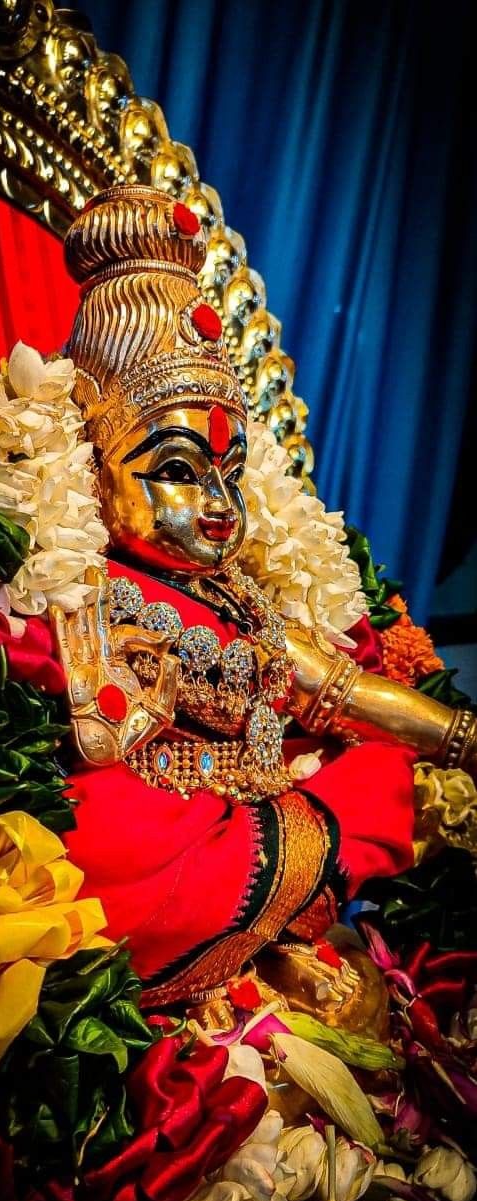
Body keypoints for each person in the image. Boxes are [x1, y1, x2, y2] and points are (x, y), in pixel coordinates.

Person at [58, 185, 476, 1013]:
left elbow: (335, 689)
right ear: (93, 461)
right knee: (360, 806)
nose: (217, 501)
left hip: (244, 815)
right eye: (176, 469)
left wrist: (460, 740)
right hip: (147, 851)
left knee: (382, 788)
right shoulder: (83, 586)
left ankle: (274, 947)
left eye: (229, 471)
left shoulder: (239, 592)